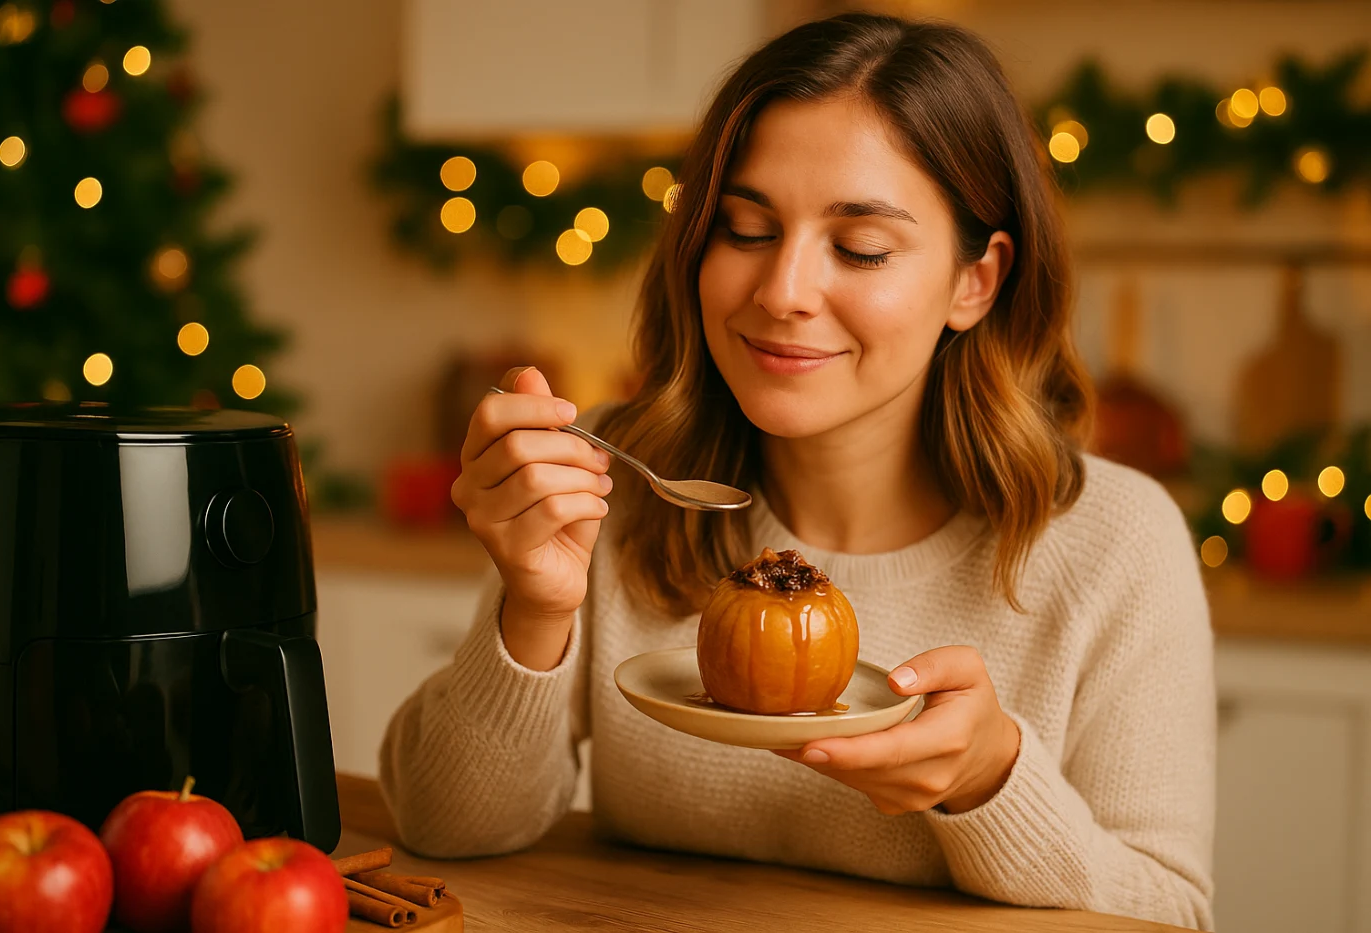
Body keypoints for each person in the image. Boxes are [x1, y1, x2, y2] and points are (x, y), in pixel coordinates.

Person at [380, 12, 1215, 930]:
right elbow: (444, 828)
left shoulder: (1112, 542)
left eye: (860, 248)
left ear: (975, 281)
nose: (781, 292)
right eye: (744, 229)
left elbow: (1172, 913)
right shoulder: (616, 479)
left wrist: (989, 779)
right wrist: (532, 608)